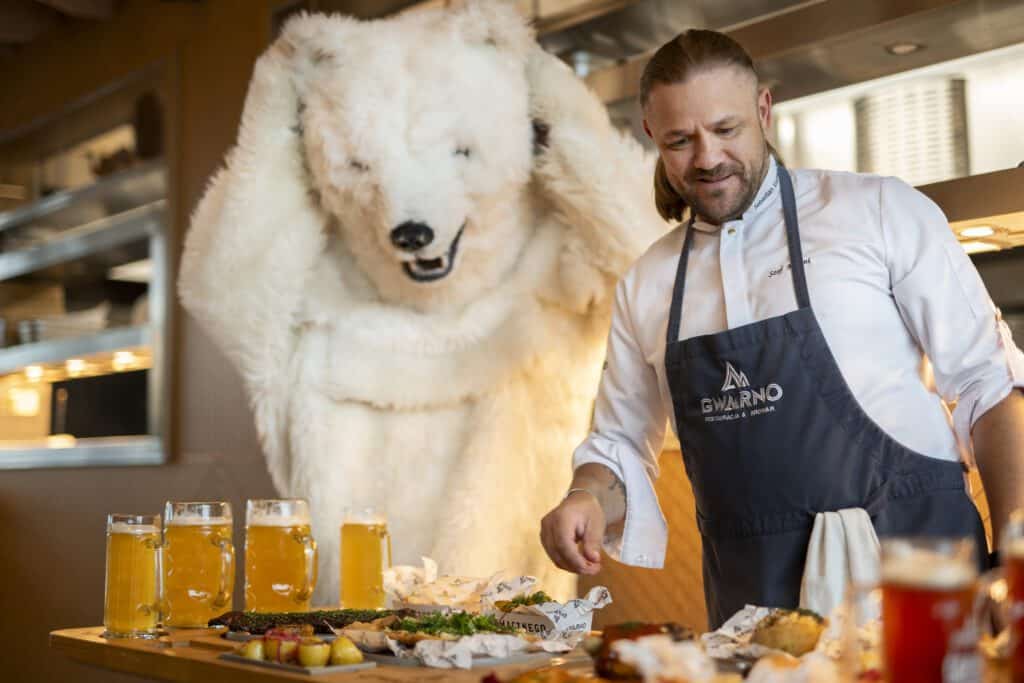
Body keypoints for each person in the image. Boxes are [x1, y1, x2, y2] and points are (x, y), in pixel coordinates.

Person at [539, 29, 1024, 628]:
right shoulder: (648, 283)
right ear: (651, 138)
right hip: (753, 610)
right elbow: (618, 445)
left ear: (763, 111)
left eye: (726, 130)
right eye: (680, 141)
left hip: (919, 586)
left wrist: (1013, 560)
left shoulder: (878, 211)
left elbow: (991, 387)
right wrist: (585, 496)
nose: (708, 158)